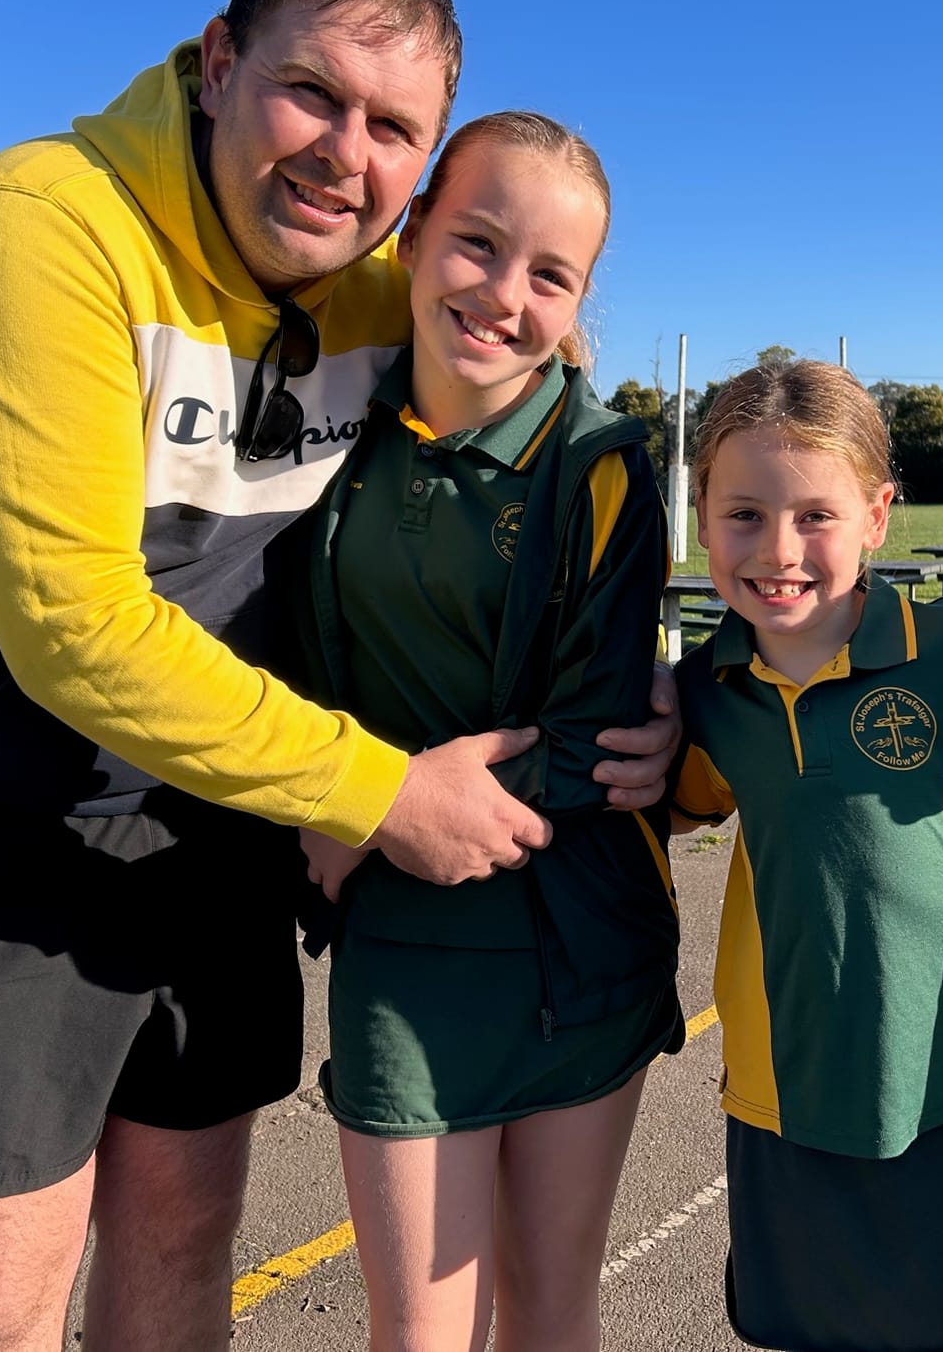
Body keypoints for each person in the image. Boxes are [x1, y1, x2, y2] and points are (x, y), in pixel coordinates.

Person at [0, 0, 678, 1352]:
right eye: (315, 93)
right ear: (220, 62)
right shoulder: (37, 225)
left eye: (395, 127)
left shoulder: (370, 287)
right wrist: (381, 793)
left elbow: (521, 414)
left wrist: (640, 697)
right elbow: (74, 629)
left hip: (215, 821)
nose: (348, 155)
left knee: (182, 1238)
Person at [295, 110, 680, 1352]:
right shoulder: (316, 427)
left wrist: (379, 799)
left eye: (550, 275)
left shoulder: (604, 470)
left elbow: (604, 739)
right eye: (476, 243)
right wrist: (330, 805)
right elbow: (258, 661)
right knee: (416, 1338)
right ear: (408, 236)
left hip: (578, 947)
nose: (503, 296)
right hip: (402, 945)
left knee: (552, 1318)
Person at [667, 361, 943, 1352]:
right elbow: (664, 809)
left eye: (813, 517)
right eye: (741, 514)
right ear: (699, 513)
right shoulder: (700, 692)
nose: (777, 551)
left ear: (876, 515)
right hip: (785, 1096)